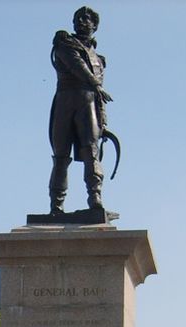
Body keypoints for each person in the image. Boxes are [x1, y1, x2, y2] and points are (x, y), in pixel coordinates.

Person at [48, 6, 113, 214]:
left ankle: (95, 198)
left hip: (88, 104)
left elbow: (99, 97)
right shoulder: (64, 43)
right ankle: (56, 205)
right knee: (60, 156)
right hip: (66, 102)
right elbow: (77, 66)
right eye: (78, 18)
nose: (82, 21)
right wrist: (96, 84)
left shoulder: (99, 59)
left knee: (91, 152)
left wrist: (103, 122)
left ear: (95, 26)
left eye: (87, 19)